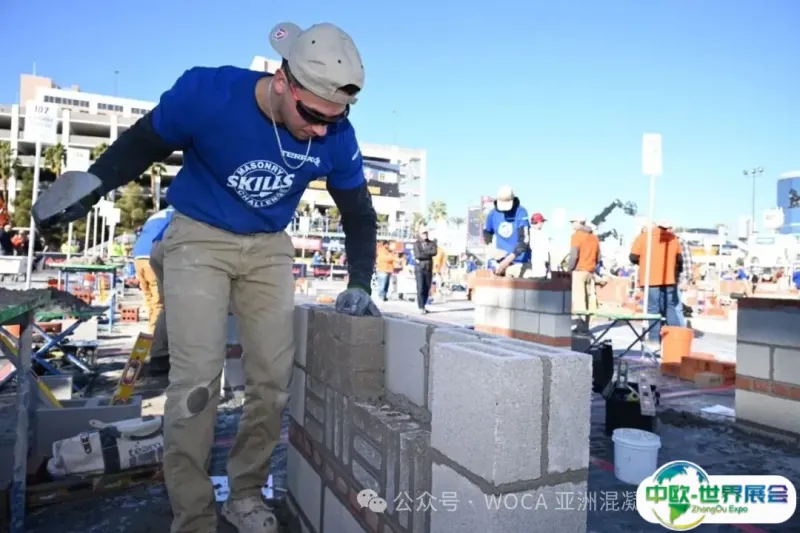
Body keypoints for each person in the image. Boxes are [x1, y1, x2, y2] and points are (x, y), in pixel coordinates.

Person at [38, 21, 379, 533]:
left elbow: (357, 212)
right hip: (199, 236)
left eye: (336, 118)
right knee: (197, 383)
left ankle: (246, 496)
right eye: (312, 115)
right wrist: (94, 183)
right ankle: (193, 517)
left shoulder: (336, 137)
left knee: (272, 382)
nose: (320, 130)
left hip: (268, 245)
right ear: (282, 82)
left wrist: (360, 283)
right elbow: (144, 142)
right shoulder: (208, 93)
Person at [629, 221, 683, 347]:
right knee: (670, 307)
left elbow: (633, 257)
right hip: (669, 279)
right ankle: (674, 339)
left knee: (653, 309)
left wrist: (643, 261)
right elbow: (680, 260)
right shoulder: (674, 238)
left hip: (650, 278)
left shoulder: (644, 237)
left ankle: (654, 339)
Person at [132, 207, 175, 335]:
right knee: (158, 301)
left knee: (149, 298)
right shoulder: (176, 214)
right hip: (151, 255)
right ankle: (153, 336)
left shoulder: (156, 215)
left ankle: (150, 330)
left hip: (138, 256)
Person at [483, 185, 531, 278]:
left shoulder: (521, 212)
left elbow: (524, 240)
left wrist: (508, 260)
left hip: (519, 262)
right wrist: (490, 247)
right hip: (500, 262)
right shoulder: (493, 214)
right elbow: (487, 232)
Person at [568, 216, 600, 324]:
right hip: (590, 271)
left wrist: (569, 269)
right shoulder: (594, 237)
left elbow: (573, 256)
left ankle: (580, 327)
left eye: (573, 222)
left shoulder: (576, 236)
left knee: (579, 300)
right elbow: (599, 256)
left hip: (579, 270)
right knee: (587, 299)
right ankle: (586, 325)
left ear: (579, 223)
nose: (572, 224)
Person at [413, 226, 437, 314]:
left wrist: (423, 253)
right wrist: (427, 254)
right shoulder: (417, 244)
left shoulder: (432, 243)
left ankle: (424, 305)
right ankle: (421, 307)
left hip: (428, 268)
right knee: (420, 288)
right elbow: (418, 255)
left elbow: (434, 252)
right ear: (420, 234)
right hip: (419, 268)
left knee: (427, 288)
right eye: (423, 233)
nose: (425, 235)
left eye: (426, 233)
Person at [529, 212, 551, 278]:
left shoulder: (527, 232)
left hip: (529, 267)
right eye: (542, 222)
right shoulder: (542, 235)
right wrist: (547, 264)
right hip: (540, 268)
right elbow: (546, 252)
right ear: (539, 222)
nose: (543, 224)